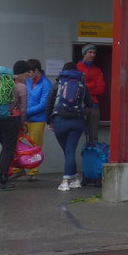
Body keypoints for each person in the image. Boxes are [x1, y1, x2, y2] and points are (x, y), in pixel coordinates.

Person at [0, 61, 28, 191]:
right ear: (22, 74)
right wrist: (22, 124)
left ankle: (4, 176)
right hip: (12, 120)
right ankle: (1, 180)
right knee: (8, 150)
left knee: (6, 149)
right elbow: (23, 109)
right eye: (26, 74)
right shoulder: (21, 87)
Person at [46, 61, 90, 192]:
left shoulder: (57, 84)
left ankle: (65, 181)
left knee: (68, 151)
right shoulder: (82, 84)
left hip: (59, 121)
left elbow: (49, 104)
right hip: (77, 121)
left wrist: (49, 121)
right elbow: (90, 103)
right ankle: (75, 178)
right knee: (69, 151)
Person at [24, 58, 52, 180]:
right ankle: (17, 167)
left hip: (38, 119)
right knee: (17, 141)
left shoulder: (46, 84)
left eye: (29, 72)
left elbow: (43, 105)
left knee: (35, 145)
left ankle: (33, 171)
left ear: (36, 70)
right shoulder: (28, 80)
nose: (28, 75)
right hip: (25, 118)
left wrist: (25, 112)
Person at [76, 44, 106, 142]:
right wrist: (92, 84)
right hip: (79, 104)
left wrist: (86, 87)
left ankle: (93, 151)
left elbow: (101, 89)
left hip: (94, 105)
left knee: (94, 135)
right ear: (84, 54)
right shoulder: (76, 68)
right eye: (90, 52)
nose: (93, 55)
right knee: (76, 133)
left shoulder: (97, 70)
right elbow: (76, 88)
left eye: (94, 53)